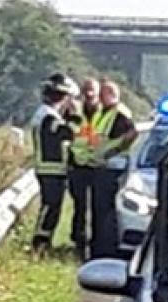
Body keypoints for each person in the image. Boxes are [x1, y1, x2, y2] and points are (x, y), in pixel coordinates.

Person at [30, 73, 79, 253]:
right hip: (51, 170)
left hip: (49, 169)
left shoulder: (43, 114)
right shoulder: (49, 117)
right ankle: (40, 243)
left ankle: (42, 242)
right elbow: (69, 133)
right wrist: (75, 116)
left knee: (51, 207)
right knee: (51, 207)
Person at [88, 80, 138, 259]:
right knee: (98, 210)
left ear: (110, 94)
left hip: (113, 167)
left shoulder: (120, 113)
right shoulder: (104, 112)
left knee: (106, 211)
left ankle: (104, 250)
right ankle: (98, 249)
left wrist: (112, 152)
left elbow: (132, 134)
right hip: (102, 166)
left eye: (102, 94)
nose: (99, 98)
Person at [67, 78, 101, 258]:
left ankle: (95, 242)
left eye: (92, 90)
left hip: (97, 167)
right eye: (86, 90)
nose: (89, 94)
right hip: (78, 166)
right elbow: (68, 133)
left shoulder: (104, 112)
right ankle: (79, 241)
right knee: (80, 206)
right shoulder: (74, 111)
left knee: (97, 207)